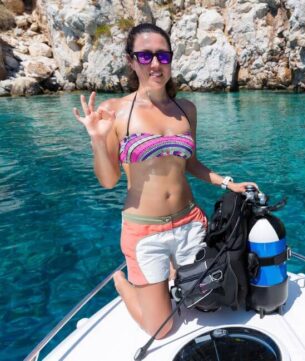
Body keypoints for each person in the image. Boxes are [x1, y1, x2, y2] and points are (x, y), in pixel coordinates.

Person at [72, 23, 257, 339]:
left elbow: (191, 164)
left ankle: (171, 271)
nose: (155, 64)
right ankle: (122, 282)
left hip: (190, 223)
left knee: (206, 304)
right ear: (131, 61)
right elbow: (108, 180)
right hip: (145, 231)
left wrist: (228, 183)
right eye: (145, 56)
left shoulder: (185, 109)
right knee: (161, 330)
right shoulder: (113, 111)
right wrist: (99, 141)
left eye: (162, 55)